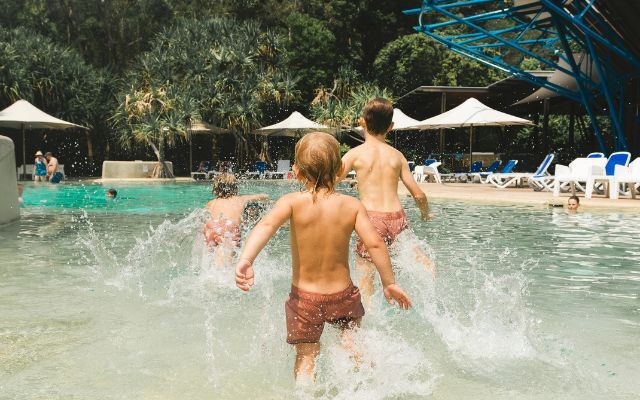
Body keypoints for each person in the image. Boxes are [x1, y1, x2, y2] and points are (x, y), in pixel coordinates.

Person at [235, 132, 412, 383]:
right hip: (343, 295)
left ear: (296, 172)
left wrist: (246, 259)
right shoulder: (351, 206)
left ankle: (306, 392)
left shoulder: (291, 203)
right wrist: (389, 282)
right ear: (341, 168)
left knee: (307, 356)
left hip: (304, 299)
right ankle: (369, 385)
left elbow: (265, 226)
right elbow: (375, 243)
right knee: (352, 343)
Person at [340, 98, 435, 303]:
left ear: (362, 122)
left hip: (371, 221)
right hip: (397, 218)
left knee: (366, 280)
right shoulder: (397, 156)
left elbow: (329, 181)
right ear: (391, 127)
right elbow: (419, 195)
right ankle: (434, 298)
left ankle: (370, 325)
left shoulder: (354, 154)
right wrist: (425, 214)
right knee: (422, 262)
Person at [204, 173, 268, 249]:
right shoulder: (241, 199)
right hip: (229, 226)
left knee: (212, 253)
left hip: (212, 226)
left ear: (215, 189)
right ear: (236, 188)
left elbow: (205, 217)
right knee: (229, 256)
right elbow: (264, 196)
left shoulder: (211, 203)